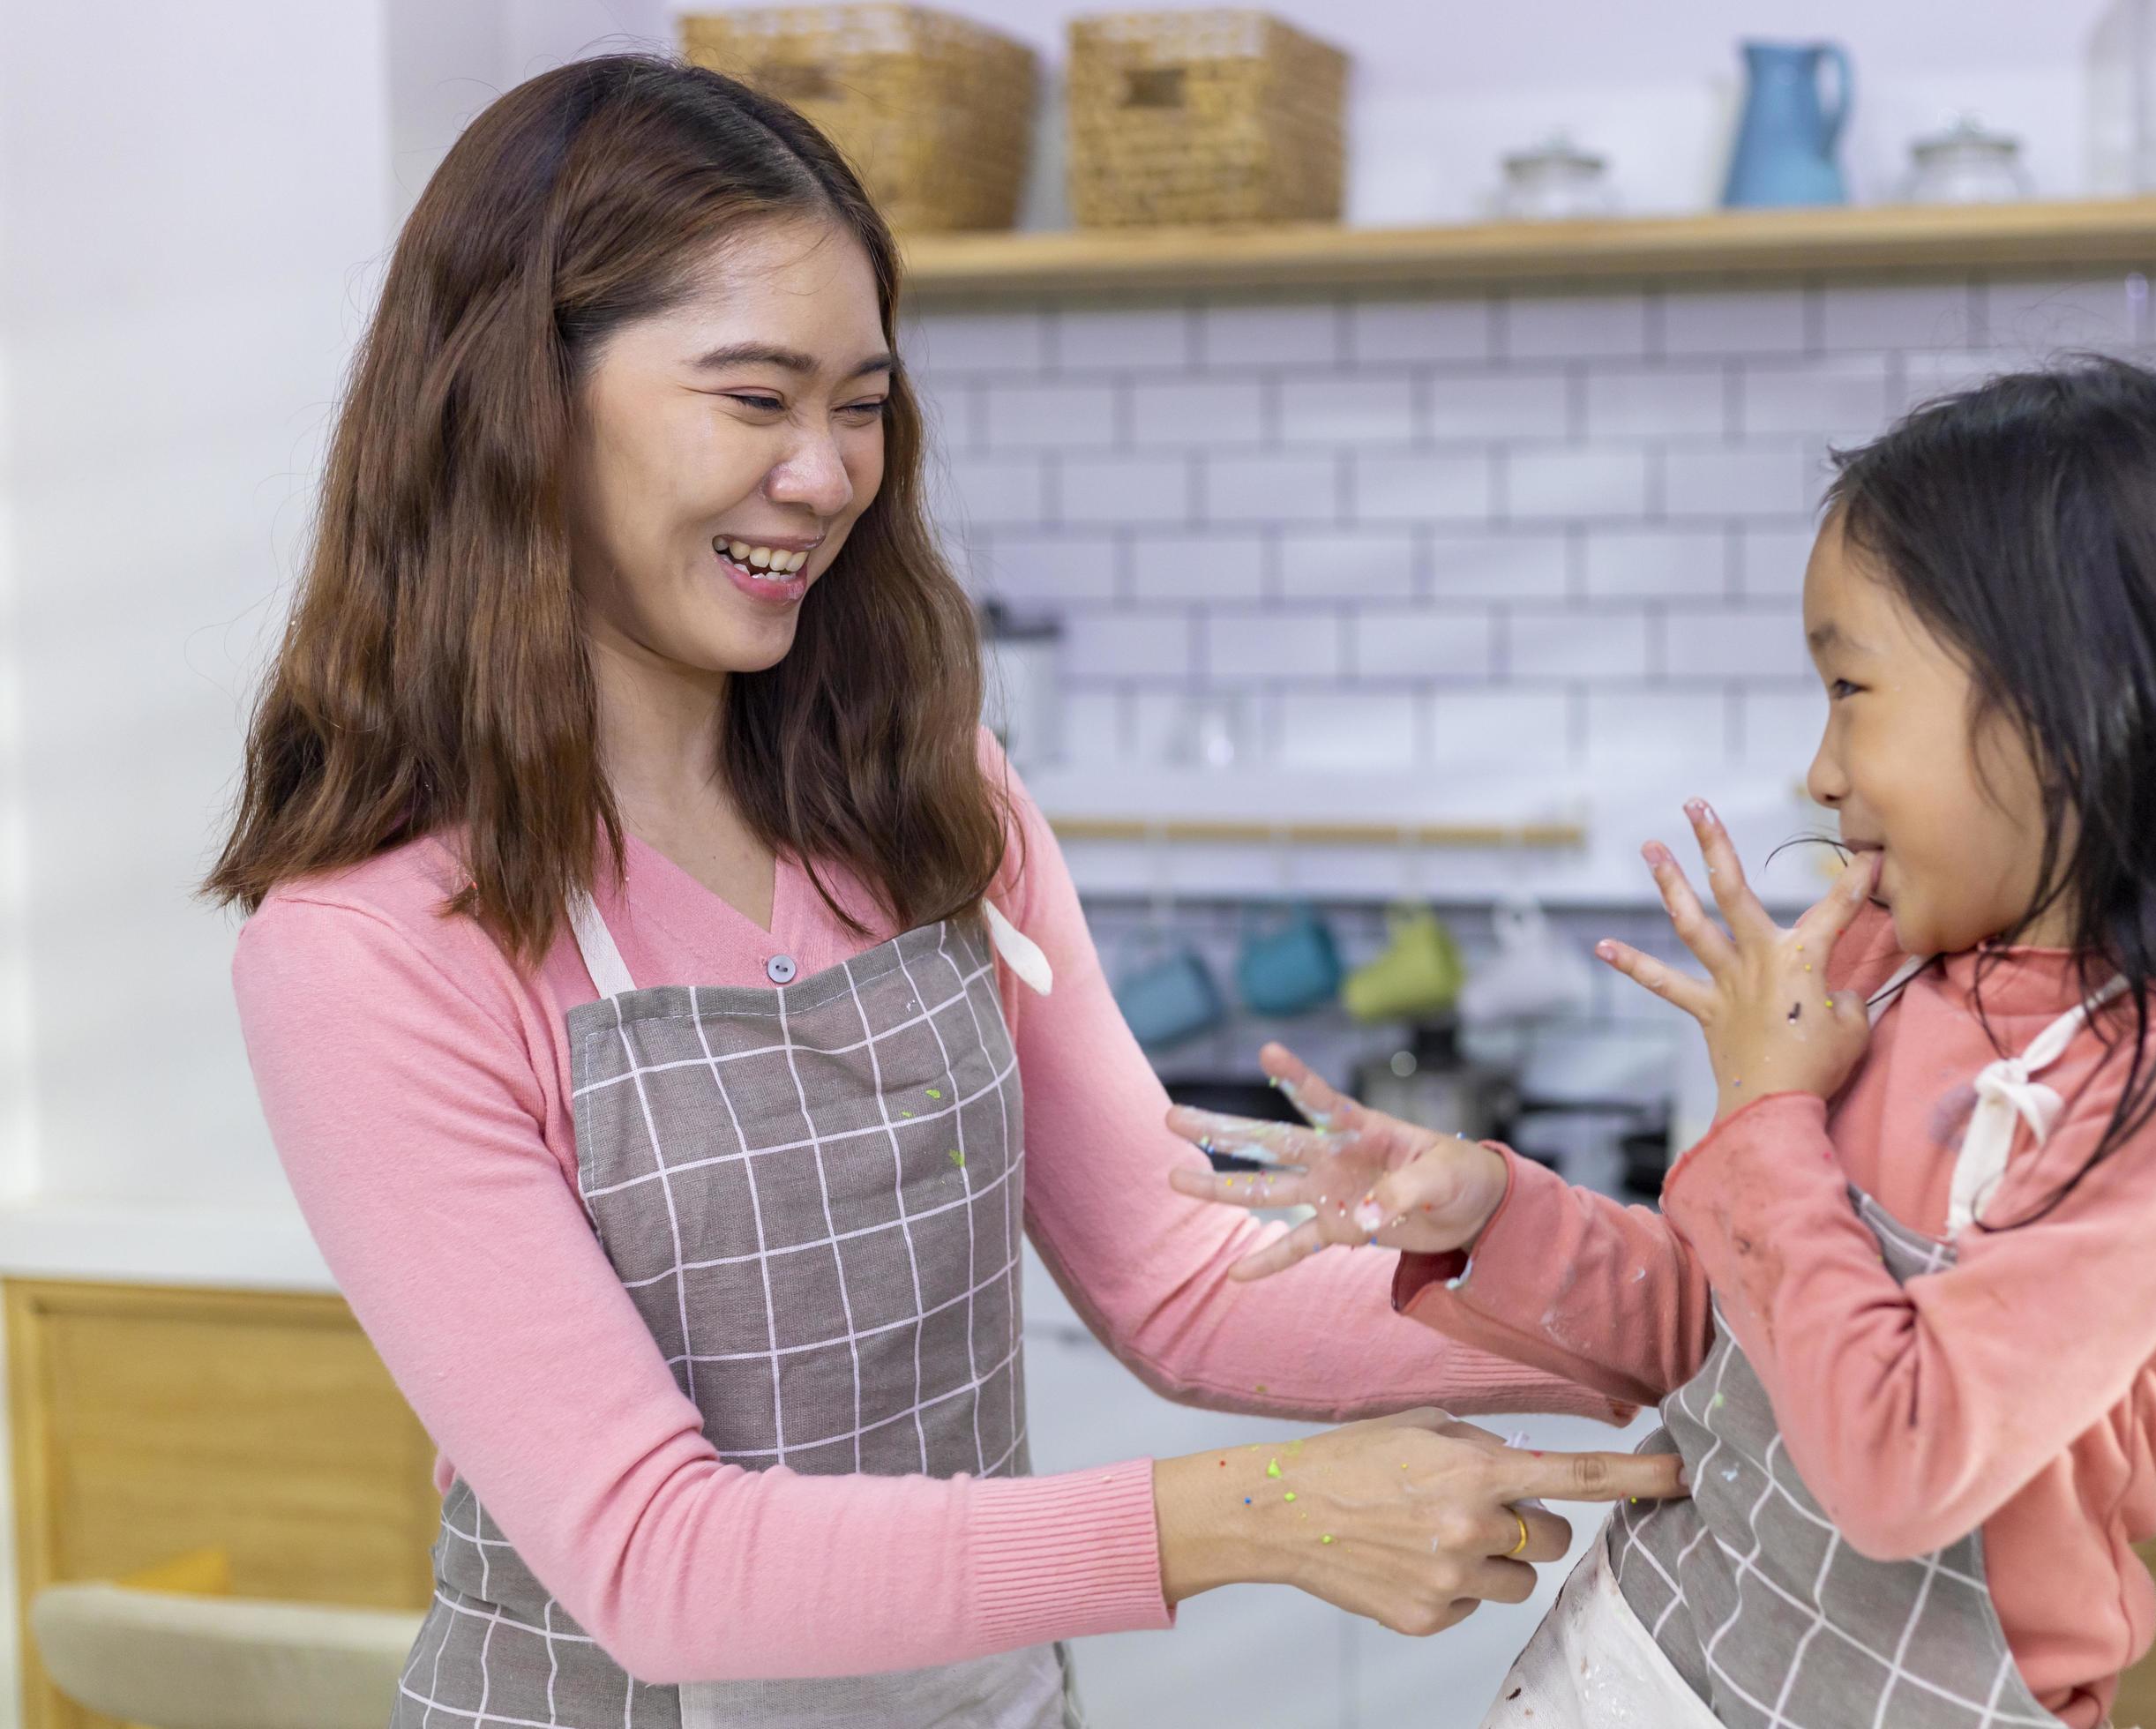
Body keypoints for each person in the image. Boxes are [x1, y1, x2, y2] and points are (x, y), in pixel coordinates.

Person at [206, 55, 1679, 1726]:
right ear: (518, 406)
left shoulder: (927, 799)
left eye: (860, 402)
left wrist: (1679, 1312)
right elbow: (657, 1563)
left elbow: (1180, 1279)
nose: (828, 476)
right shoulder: (373, 950)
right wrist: (1254, 1519)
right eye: (756, 400)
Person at [1175, 360, 2156, 1727]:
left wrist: (1765, 1114)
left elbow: (1901, 1461)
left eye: (1852, 689)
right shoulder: (1878, 968)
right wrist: (1487, 1210)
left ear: (2071, 708)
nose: (1820, 770)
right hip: (1627, 1666)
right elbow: (1723, 1332)